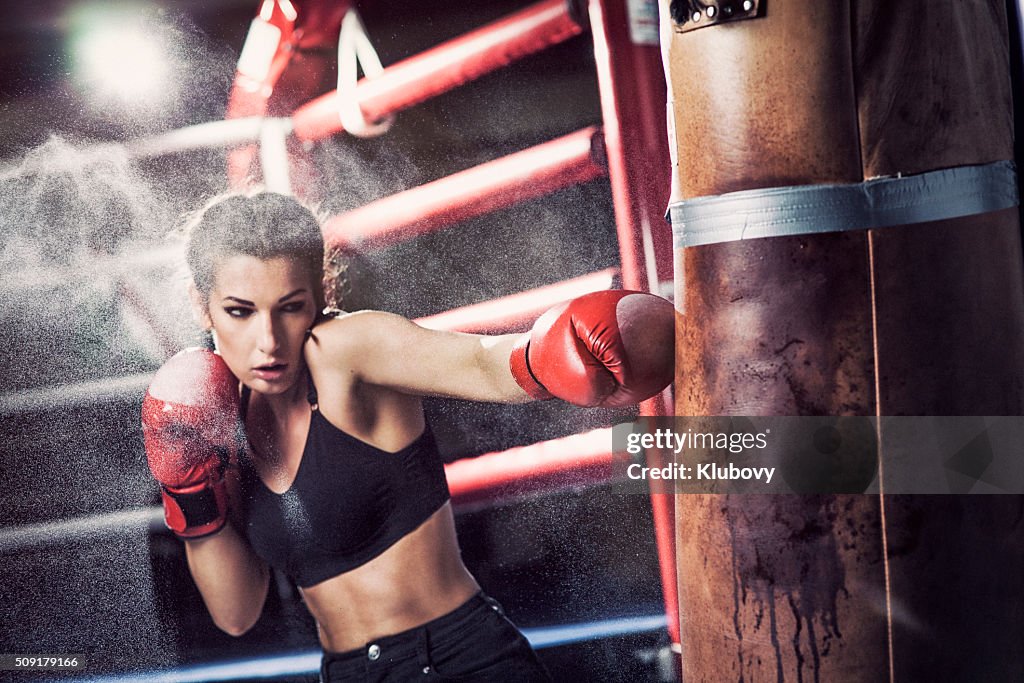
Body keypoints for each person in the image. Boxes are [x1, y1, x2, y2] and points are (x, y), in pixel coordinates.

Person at [141, 191, 674, 682]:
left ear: (321, 292)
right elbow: (236, 614)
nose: (269, 341)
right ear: (200, 302)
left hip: (455, 660)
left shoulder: (346, 351)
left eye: (291, 306)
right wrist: (187, 490)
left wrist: (544, 356)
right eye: (239, 311)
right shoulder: (215, 416)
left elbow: (481, 364)